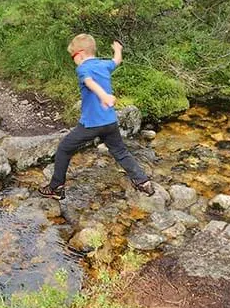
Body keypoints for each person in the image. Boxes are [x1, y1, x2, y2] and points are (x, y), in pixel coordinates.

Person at [40, 34, 154, 200]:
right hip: (109, 121)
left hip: (91, 124)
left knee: (64, 149)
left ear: (80, 54)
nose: (74, 60)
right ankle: (142, 182)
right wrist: (117, 49)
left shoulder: (83, 69)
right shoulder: (104, 64)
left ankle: (56, 188)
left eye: (73, 57)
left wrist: (104, 96)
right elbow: (116, 61)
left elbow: (89, 82)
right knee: (120, 151)